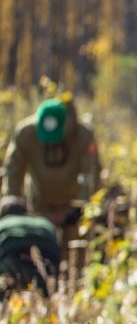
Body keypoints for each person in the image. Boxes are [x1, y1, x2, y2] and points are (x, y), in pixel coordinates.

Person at [3, 95, 101, 234]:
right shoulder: (26, 134)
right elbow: (14, 169)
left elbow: (89, 172)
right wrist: (13, 200)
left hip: (72, 205)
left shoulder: (83, 136)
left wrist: (81, 205)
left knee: (74, 244)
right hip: (38, 205)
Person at [0, 195, 61, 297]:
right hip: (48, 260)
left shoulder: (2, 223)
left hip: (12, 261)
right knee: (45, 296)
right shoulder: (44, 222)